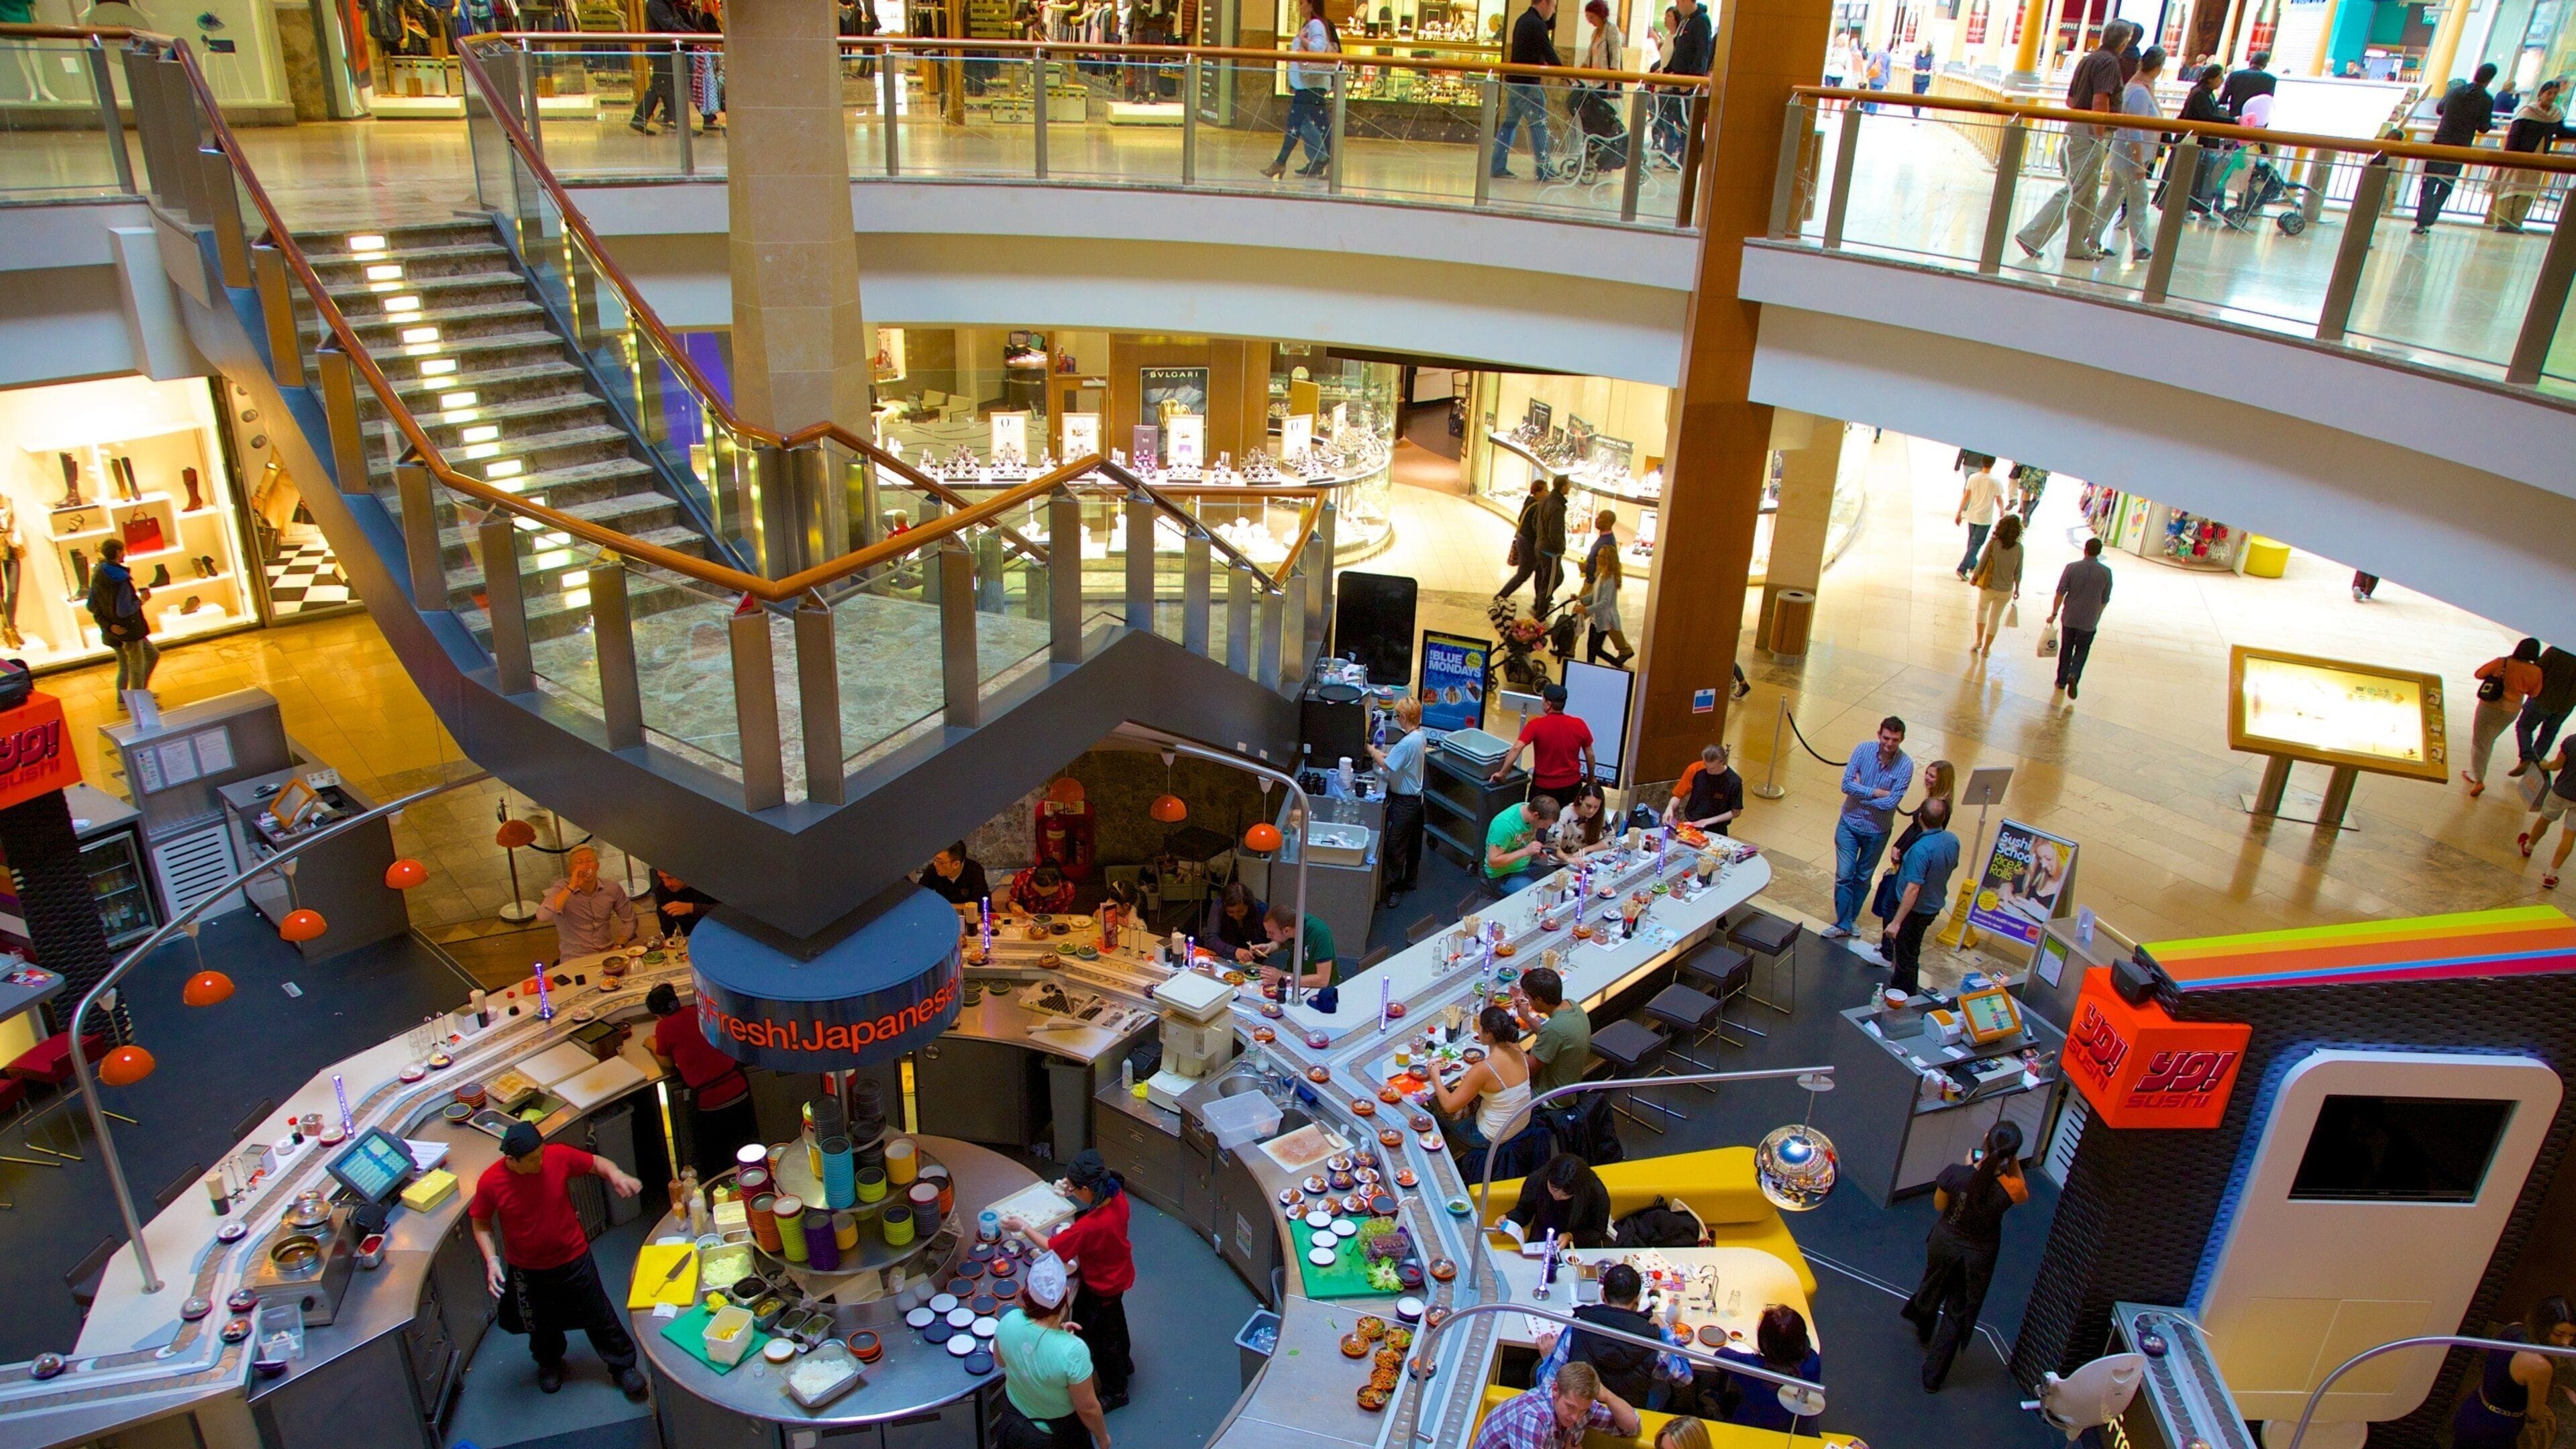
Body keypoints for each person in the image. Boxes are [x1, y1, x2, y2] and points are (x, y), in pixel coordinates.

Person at [468, 1122, 648, 1399]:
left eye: (541, 1154)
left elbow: (596, 1163)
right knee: (540, 1323)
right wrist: (492, 1260)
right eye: (533, 1159)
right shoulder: (491, 1182)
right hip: (527, 1267)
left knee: (598, 1313)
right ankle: (549, 1362)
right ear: (512, 1160)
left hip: (573, 1255)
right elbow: (480, 1223)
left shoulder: (556, 1155)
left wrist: (616, 1174)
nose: (541, 1161)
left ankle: (623, 1366)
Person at [1901, 1118, 2028, 1392]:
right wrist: (2010, 1160)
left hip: (1945, 1242)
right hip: (1978, 1256)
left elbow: (1939, 1206)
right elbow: (2022, 1191)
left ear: (1986, 1140)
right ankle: (1933, 1378)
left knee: (1932, 1284)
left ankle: (1923, 1326)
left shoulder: (1955, 1174)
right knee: (1957, 1312)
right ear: (2011, 1154)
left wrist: (1971, 1167)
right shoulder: (2011, 1189)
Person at [1004, 1152, 1134, 1411]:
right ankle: (1125, 1362)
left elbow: (1053, 1247)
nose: (1071, 1191)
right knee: (1116, 1323)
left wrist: (1025, 1227)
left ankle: (1116, 1391)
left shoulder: (1090, 1227)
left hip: (1101, 1285)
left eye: (1074, 1188)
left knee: (1102, 1340)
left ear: (1087, 1189)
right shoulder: (1115, 1193)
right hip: (1119, 1275)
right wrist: (1069, 1190)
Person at [2016, 19, 2132, 261]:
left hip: (2079, 129)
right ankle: (2032, 235)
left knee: (2088, 194)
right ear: (2124, 41)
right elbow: (2100, 100)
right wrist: (2099, 135)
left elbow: (2070, 100)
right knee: (2075, 189)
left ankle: (2077, 244)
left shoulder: (2088, 60)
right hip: (2090, 133)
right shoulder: (2109, 63)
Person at [991, 1253, 1112, 1449]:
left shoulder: (1008, 1320)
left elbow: (1001, 1361)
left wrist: (1058, 1335)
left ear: (1027, 1292)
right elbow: (1088, 1409)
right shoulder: (1073, 1351)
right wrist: (1102, 1439)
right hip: (1054, 1437)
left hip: (1013, 1424)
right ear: (1066, 1295)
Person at [1532, 1263, 1693, 1409]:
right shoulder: (1653, 1339)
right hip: (1627, 1416)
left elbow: (1546, 1384)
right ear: (1637, 1299)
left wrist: (1548, 1356)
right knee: (1662, 1387)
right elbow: (1685, 1377)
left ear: (1603, 1294)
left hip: (1584, 1412)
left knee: (1538, 1368)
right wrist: (1664, 1329)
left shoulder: (1578, 1327)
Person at [644, 981, 754, 1175]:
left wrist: (651, 1044)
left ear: (658, 1015)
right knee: (746, 1151)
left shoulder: (664, 1028)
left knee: (716, 1162)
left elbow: (667, 1062)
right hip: (739, 1089)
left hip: (709, 1102)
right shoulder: (700, 1010)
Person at [1823, 716, 1913, 940]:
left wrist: (1861, 791)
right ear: (1879, 734)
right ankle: (1843, 923)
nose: (1889, 743)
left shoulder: (1906, 765)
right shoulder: (1862, 750)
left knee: (1863, 878)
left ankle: (1850, 919)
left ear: (1902, 739)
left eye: (1895, 740)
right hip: (1849, 824)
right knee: (1844, 875)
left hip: (1878, 831)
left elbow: (1891, 803)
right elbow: (1846, 785)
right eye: (1886, 738)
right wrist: (1877, 793)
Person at [2452, 1297, 2576, 1449]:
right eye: (2559, 1334)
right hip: (2497, 1429)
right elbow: (2535, 1414)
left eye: (2572, 1335)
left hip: (2474, 1408)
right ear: (2543, 1327)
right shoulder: (2539, 1364)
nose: (2566, 1342)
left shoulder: (2513, 1328)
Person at [1867, 757, 1953, 964]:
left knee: (1890, 904)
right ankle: (1888, 946)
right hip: (1906, 856)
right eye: (1927, 773)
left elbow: (1921, 833)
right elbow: (1915, 827)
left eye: (1933, 776)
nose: (1927, 778)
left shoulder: (1940, 807)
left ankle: (1888, 952)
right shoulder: (1933, 801)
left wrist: (1904, 850)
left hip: (1911, 863)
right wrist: (1898, 845)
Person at [1434, 1004, 1536, 1161]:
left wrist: (1435, 1076)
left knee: (1434, 1104)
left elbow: (1449, 1105)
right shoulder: (1518, 1051)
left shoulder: (1483, 1069)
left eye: (1479, 1027)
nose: (1477, 1031)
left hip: (1488, 1136)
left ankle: (1443, 1154)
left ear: (1488, 1034)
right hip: (1520, 1124)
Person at [2094, 46, 2167, 261]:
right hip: (2129, 157)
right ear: (2158, 68)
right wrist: (2138, 162)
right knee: (2139, 198)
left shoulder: (2139, 89)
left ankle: (2092, 237)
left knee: (2113, 198)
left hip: (2127, 156)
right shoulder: (2139, 92)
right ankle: (2141, 246)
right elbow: (2134, 129)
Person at [1468, 1361, 1641, 1449]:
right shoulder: (1532, 1419)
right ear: (1555, 1390)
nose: (1575, 1417)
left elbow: (1631, 1427)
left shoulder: (1582, 1406)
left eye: (1583, 1410)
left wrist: (1607, 1396)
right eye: (1570, 1407)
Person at [1885, 797, 1960, 996]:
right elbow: (1952, 865)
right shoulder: (1952, 840)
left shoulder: (1921, 849)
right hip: (1933, 905)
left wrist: (1896, 922)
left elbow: (1913, 888)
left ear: (1920, 818)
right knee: (1911, 948)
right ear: (1944, 817)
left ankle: (1904, 993)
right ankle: (1898, 983)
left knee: (1907, 953)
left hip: (1916, 910)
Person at [2417, 62, 2499, 234]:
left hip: (2440, 142)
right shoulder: (2486, 99)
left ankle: (2421, 219)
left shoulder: (2454, 91)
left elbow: (2440, 109)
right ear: (2490, 79)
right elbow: (2484, 127)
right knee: (2446, 183)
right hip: (2460, 148)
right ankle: (2431, 217)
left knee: (2429, 181)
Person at [1262, 0, 1337, 178]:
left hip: (1309, 86)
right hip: (1308, 85)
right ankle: (1330, 164)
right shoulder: (1312, 25)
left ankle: (1280, 163)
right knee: (1320, 125)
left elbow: (1318, 49)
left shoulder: (1316, 25)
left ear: (1311, 5)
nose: (1299, 6)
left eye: (1302, 3)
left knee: (1295, 124)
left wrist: (1302, 40)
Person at [1715, 1305, 1821, 1430]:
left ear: (1765, 1341)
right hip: (1795, 1427)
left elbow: (1720, 1356)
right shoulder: (1813, 1361)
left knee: (1729, 1400)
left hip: (1753, 1428)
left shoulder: (1755, 1367)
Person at [1493, 0, 1562, 180]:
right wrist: (1565, 75)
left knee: (1509, 125)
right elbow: (1548, 51)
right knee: (1539, 125)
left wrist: (1552, 14)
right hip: (1527, 85)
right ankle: (1544, 169)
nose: (1554, 11)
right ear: (1544, 3)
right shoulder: (1536, 24)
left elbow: (1549, 26)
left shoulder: (1524, 19)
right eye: (1553, 7)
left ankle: (1497, 165)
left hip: (1515, 82)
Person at [2494, 80, 2576, 231]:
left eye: (2555, 94)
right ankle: (2503, 223)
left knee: (2528, 190)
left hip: (2538, 159)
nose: (2552, 97)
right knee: (2510, 188)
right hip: (2519, 157)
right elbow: (2514, 136)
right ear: (2541, 94)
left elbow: (2562, 131)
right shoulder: (2527, 112)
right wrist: (2510, 158)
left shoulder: (2555, 114)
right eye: (2549, 93)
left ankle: (2516, 223)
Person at [1370, 697, 1429, 904]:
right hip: (1416, 800)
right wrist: (1384, 753)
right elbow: (1398, 758)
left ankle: (1392, 889)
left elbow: (1385, 766)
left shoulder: (1406, 743)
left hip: (1403, 803)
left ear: (1403, 717)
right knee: (1413, 844)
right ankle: (1410, 881)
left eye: (1397, 716)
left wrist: (1371, 750)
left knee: (1395, 846)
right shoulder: (1419, 737)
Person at [2467, 639, 2546, 795]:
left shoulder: (2502, 662)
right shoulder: (2536, 671)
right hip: (2511, 711)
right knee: (2489, 741)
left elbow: (2479, 674)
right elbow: (2534, 693)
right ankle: (2475, 772)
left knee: (2481, 743)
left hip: (2489, 706)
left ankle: (2479, 780)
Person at [85, 537, 157, 701]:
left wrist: (108, 626)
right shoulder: (121, 580)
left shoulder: (98, 574)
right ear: (118, 553)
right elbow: (124, 610)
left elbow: (91, 605)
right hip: (129, 629)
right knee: (137, 665)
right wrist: (141, 601)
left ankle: (125, 700)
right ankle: (139, 701)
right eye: (122, 551)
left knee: (131, 663)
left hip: (113, 631)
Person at [536, 845, 637, 961]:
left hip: (607, 952)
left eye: (590, 861)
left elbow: (630, 920)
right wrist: (572, 886)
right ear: (571, 869)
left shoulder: (612, 888)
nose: (585, 866)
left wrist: (619, 945)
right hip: (575, 957)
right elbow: (543, 916)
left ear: (597, 866)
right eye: (580, 862)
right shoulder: (561, 888)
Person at [1493, 684, 1597, 796]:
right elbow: (1590, 754)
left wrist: (1502, 773)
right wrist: (1591, 777)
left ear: (1548, 704)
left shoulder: (1536, 725)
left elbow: (1517, 748)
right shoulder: (1579, 724)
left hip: (1544, 787)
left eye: (1543, 699)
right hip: (1572, 786)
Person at [2049, 535, 2114, 700]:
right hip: (2089, 620)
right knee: (2082, 650)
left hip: (2070, 617)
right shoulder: (2106, 573)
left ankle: (2061, 680)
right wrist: (2097, 615)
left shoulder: (2072, 568)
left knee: (2066, 648)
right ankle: (2074, 674)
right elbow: (2105, 599)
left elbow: (2060, 592)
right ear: (2099, 552)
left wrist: (2054, 613)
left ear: (2085, 550)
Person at [1511, 965, 1591, 1095]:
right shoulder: (1572, 1005)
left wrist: (1510, 1040)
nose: (1527, 1001)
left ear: (1539, 999)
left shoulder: (1553, 1030)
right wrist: (1526, 1018)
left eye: (1528, 997)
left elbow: (1526, 1072)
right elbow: (1552, 1036)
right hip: (1570, 1086)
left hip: (1549, 1097)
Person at [1504, 1152, 1613, 1246]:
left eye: (1565, 1195)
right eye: (1553, 1188)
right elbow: (1524, 1211)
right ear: (1548, 1177)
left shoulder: (1596, 1192)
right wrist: (1509, 1219)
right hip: (1542, 1237)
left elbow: (1598, 1231)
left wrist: (1571, 1236)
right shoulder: (1537, 1179)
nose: (1557, 1196)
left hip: (1580, 1243)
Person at [2169, 64, 2227, 216]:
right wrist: (2232, 121)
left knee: (2199, 177)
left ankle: (2195, 207)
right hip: (2194, 142)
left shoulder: (2207, 93)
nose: (2222, 81)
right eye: (2220, 77)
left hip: (2202, 142)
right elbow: (2207, 117)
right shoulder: (2200, 94)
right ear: (2211, 78)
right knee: (2190, 176)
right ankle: (2183, 208)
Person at [1576, 511, 1633, 665]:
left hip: (1604, 617)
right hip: (1598, 616)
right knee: (1591, 647)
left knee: (1595, 647)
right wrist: (1581, 599)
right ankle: (1589, 665)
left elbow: (1605, 602)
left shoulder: (1608, 576)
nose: (1597, 519)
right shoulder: (1602, 575)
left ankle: (1620, 661)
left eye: (1601, 518)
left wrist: (1586, 609)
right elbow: (1596, 596)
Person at [1244, 899, 1340, 990]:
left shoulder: (1320, 934)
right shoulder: (1291, 923)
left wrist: (1282, 978)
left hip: (1318, 988)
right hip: (1293, 978)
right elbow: (1284, 941)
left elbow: (1322, 980)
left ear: (1286, 930)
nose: (1268, 936)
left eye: (1271, 933)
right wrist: (1271, 946)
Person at [1968, 513, 2026, 657]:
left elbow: (1982, 562)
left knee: (1982, 610)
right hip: (2006, 590)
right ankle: (1986, 649)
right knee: (1995, 618)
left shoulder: (1993, 544)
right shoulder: (2019, 548)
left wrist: (1975, 578)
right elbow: (2018, 572)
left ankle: (1979, 641)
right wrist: (2017, 588)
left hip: (1988, 586)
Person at [2521, 739, 2576, 890]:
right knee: (2570, 835)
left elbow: (2557, 765)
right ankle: (2551, 875)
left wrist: (2545, 765)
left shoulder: (2572, 741)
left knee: (2545, 820)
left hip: (2560, 792)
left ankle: (2528, 846)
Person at [1485, 792, 1564, 893]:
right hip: (1503, 875)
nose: (1546, 828)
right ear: (1536, 815)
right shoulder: (1504, 825)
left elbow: (1529, 837)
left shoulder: (1530, 812)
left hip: (1525, 866)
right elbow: (1493, 862)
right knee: (1533, 894)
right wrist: (1526, 851)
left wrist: (1538, 849)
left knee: (1557, 879)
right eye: (1545, 824)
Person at [2515, 643, 2576, 774]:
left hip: (2542, 698)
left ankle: (2528, 758)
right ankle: (2535, 762)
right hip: (2566, 706)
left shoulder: (2557, 650)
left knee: (2524, 726)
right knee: (2549, 733)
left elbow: (2539, 669)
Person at [1664, 743, 1743, 835]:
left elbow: (1736, 812)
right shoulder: (1695, 769)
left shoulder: (1734, 782)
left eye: (1713, 768)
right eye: (1705, 765)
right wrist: (1670, 807)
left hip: (1717, 828)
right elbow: (1678, 795)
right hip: (1692, 823)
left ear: (1722, 762)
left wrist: (1707, 821)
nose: (1708, 771)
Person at [632, 0, 686, 133]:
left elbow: (678, 22)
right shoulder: (656, 3)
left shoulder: (666, 3)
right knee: (667, 86)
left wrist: (695, 35)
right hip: (662, 51)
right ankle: (680, 125)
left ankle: (639, 120)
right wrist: (691, 36)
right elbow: (669, 25)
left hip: (666, 50)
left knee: (661, 86)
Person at [1953, 455, 2004, 579]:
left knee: (1972, 541)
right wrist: (2002, 510)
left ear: (1982, 462)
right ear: (1993, 464)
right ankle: (1963, 568)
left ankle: (1973, 564)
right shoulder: (1995, 481)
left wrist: (1959, 512)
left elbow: (1966, 496)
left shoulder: (1973, 478)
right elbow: (1999, 499)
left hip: (1972, 515)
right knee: (1976, 544)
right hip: (1984, 518)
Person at [918, 841, 994, 914]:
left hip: (973, 916)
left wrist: (944, 907)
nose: (935, 864)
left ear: (956, 865)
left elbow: (979, 906)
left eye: (940, 862)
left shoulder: (974, 870)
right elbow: (919, 896)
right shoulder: (933, 870)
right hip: (945, 915)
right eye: (935, 860)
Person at [1550, 781, 1616, 861]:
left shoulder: (1599, 813)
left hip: (1586, 858)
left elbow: (1611, 838)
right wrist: (1568, 859)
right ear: (1581, 799)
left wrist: (1586, 850)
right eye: (1588, 806)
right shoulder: (1566, 814)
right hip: (1564, 860)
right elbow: (1553, 845)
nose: (1592, 811)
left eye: (1596, 807)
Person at [1206, 880, 1269, 958]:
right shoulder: (1219, 904)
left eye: (1241, 911)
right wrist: (1235, 951)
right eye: (1230, 912)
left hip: (1254, 958)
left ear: (1248, 906)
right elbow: (1211, 939)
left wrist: (1266, 947)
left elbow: (1274, 940)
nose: (1236, 916)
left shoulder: (1261, 909)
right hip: (1224, 956)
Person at [649, 867, 717, 938]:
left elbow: (724, 912)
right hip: (692, 935)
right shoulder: (662, 891)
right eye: (662, 878)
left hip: (718, 931)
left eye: (670, 878)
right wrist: (670, 941)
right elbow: (667, 925)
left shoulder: (708, 883)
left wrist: (692, 908)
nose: (667, 884)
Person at [1006, 861, 1078, 915]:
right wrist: (1013, 906)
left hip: (1051, 922)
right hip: (1025, 919)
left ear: (1057, 887)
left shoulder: (1068, 889)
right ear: (1033, 883)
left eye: (1048, 893)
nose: (1043, 895)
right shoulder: (1023, 878)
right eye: (1039, 891)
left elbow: (1060, 915)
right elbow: (1011, 900)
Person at [2218, 47, 2274, 117]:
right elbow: (2268, 101)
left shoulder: (2234, 75)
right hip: (2256, 117)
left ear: (2250, 62)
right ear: (2265, 65)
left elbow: (2224, 98)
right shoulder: (2271, 79)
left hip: (2236, 116)